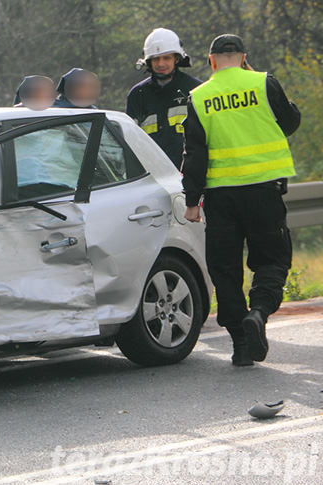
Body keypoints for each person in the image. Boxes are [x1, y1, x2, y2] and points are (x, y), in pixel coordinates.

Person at [181, 34, 300, 366]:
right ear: (244, 57)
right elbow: (289, 123)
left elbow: (194, 155)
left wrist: (192, 201)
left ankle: (241, 344)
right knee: (271, 261)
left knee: (225, 268)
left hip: (220, 197)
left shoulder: (200, 96)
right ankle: (259, 313)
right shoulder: (264, 83)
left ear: (212, 60)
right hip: (264, 191)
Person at [126, 28, 201, 169]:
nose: (161, 64)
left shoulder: (195, 89)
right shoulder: (138, 95)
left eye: (166, 58)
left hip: (190, 171)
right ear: (148, 61)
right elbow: (131, 141)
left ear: (177, 58)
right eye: (156, 59)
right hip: (153, 174)